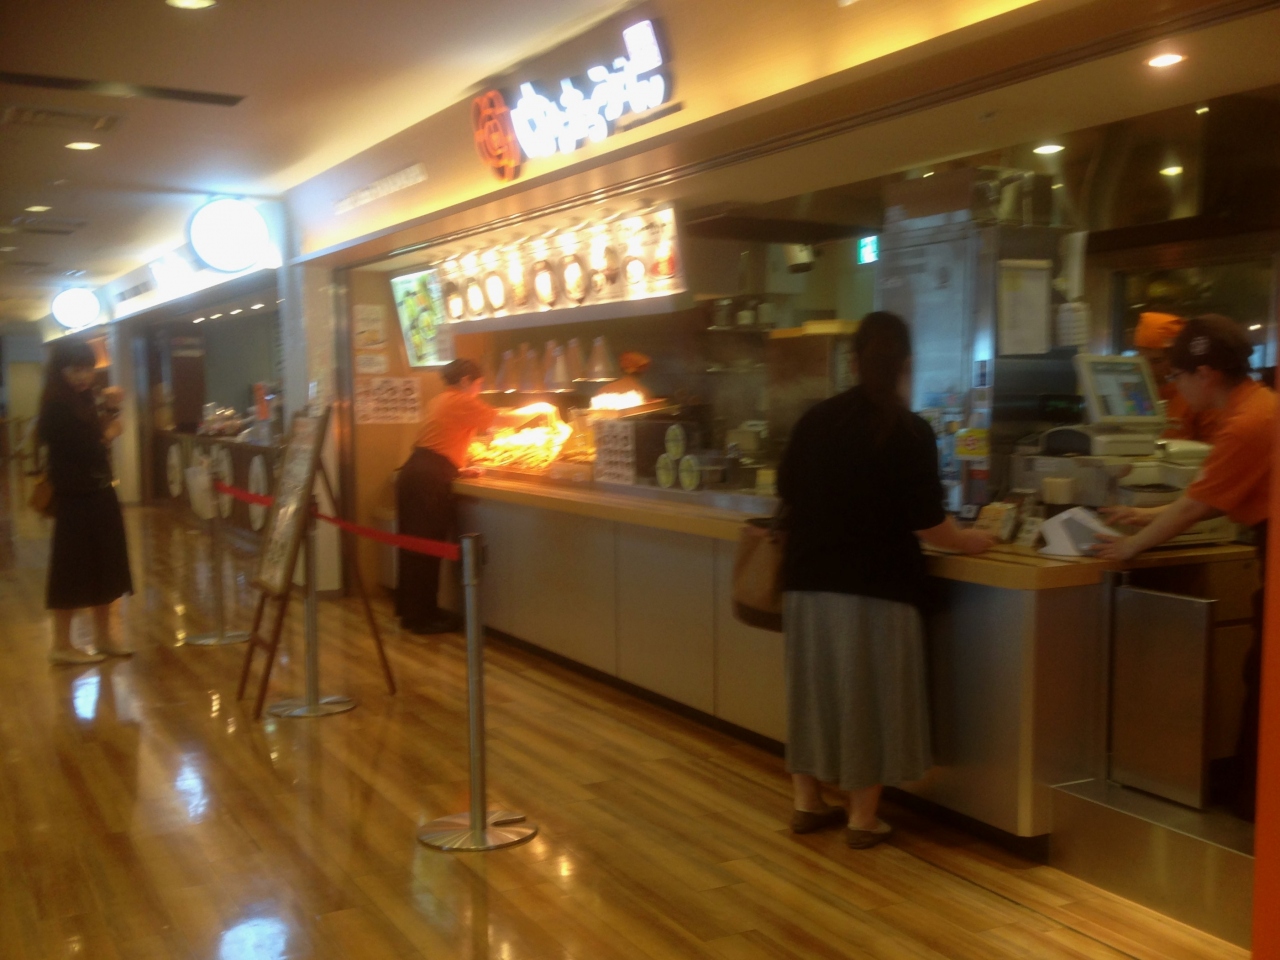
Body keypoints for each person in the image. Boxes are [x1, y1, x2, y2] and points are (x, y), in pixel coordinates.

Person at [777, 312, 997, 848]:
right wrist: (974, 540)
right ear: (906, 365)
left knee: (813, 692)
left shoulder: (816, 420)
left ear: (852, 362)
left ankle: (807, 802)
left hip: (806, 580)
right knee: (868, 700)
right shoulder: (910, 431)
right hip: (876, 587)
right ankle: (862, 818)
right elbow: (930, 524)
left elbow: (786, 491)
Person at [1097, 314, 1274, 819]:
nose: (1173, 385)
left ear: (1206, 374)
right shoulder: (1258, 405)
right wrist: (1145, 515)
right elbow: (1211, 497)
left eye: (1176, 375)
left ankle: (1254, 803)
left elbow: (1196, 507)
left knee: (1263, 680)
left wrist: (1130, 548)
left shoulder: (1246, 423)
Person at [38, 338, 134, 665]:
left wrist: (110, 410)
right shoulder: (56, 405)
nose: (82, 377)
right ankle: (61, 645)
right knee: (71, 569)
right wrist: (111, 431)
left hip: (99, 493)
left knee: (105, 565)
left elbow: (94, 441)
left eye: (87, 369)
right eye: (74, 370)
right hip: (75, 499)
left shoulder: (82, 398)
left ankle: (104, 637)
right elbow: (86, 449)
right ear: (60, 370)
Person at [395, 358, 496, 635]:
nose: (478, 390)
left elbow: (437, 445)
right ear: (465, 381)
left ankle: (415, 612)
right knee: (427, 547)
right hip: (427, 479)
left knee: (415, 547)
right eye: (478, 384)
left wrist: (456, 470)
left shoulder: (440, 400)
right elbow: (499, 419)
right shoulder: (460, 400)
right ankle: (422, 618)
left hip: (416, 472)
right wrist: (540, 410)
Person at [1134, 311, 1220, 442]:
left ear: (1177, 359)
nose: (1147, 368)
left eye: (1156, 361)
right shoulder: (1130, 393)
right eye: (1141, 360)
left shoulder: (1200, 395)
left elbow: (1214, 448)